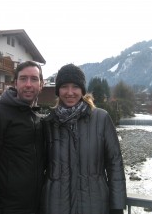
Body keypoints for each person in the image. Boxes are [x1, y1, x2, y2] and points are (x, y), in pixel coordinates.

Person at [41, 64, 127, 214]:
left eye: (75, 86)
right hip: (55, 206)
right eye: (64, 87)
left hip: (94, 205)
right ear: (58, 90)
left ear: (82, 90)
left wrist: (117, 206)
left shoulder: (101, 118)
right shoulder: (49, 123)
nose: (70, 92)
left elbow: (115, 163)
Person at [0, 61, 46, 214]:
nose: (28, 84)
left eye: (34, 79)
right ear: (15, 83)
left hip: (36, 206)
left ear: (41, 85)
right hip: (7, 208)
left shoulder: (36, 118)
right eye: (23, 78)